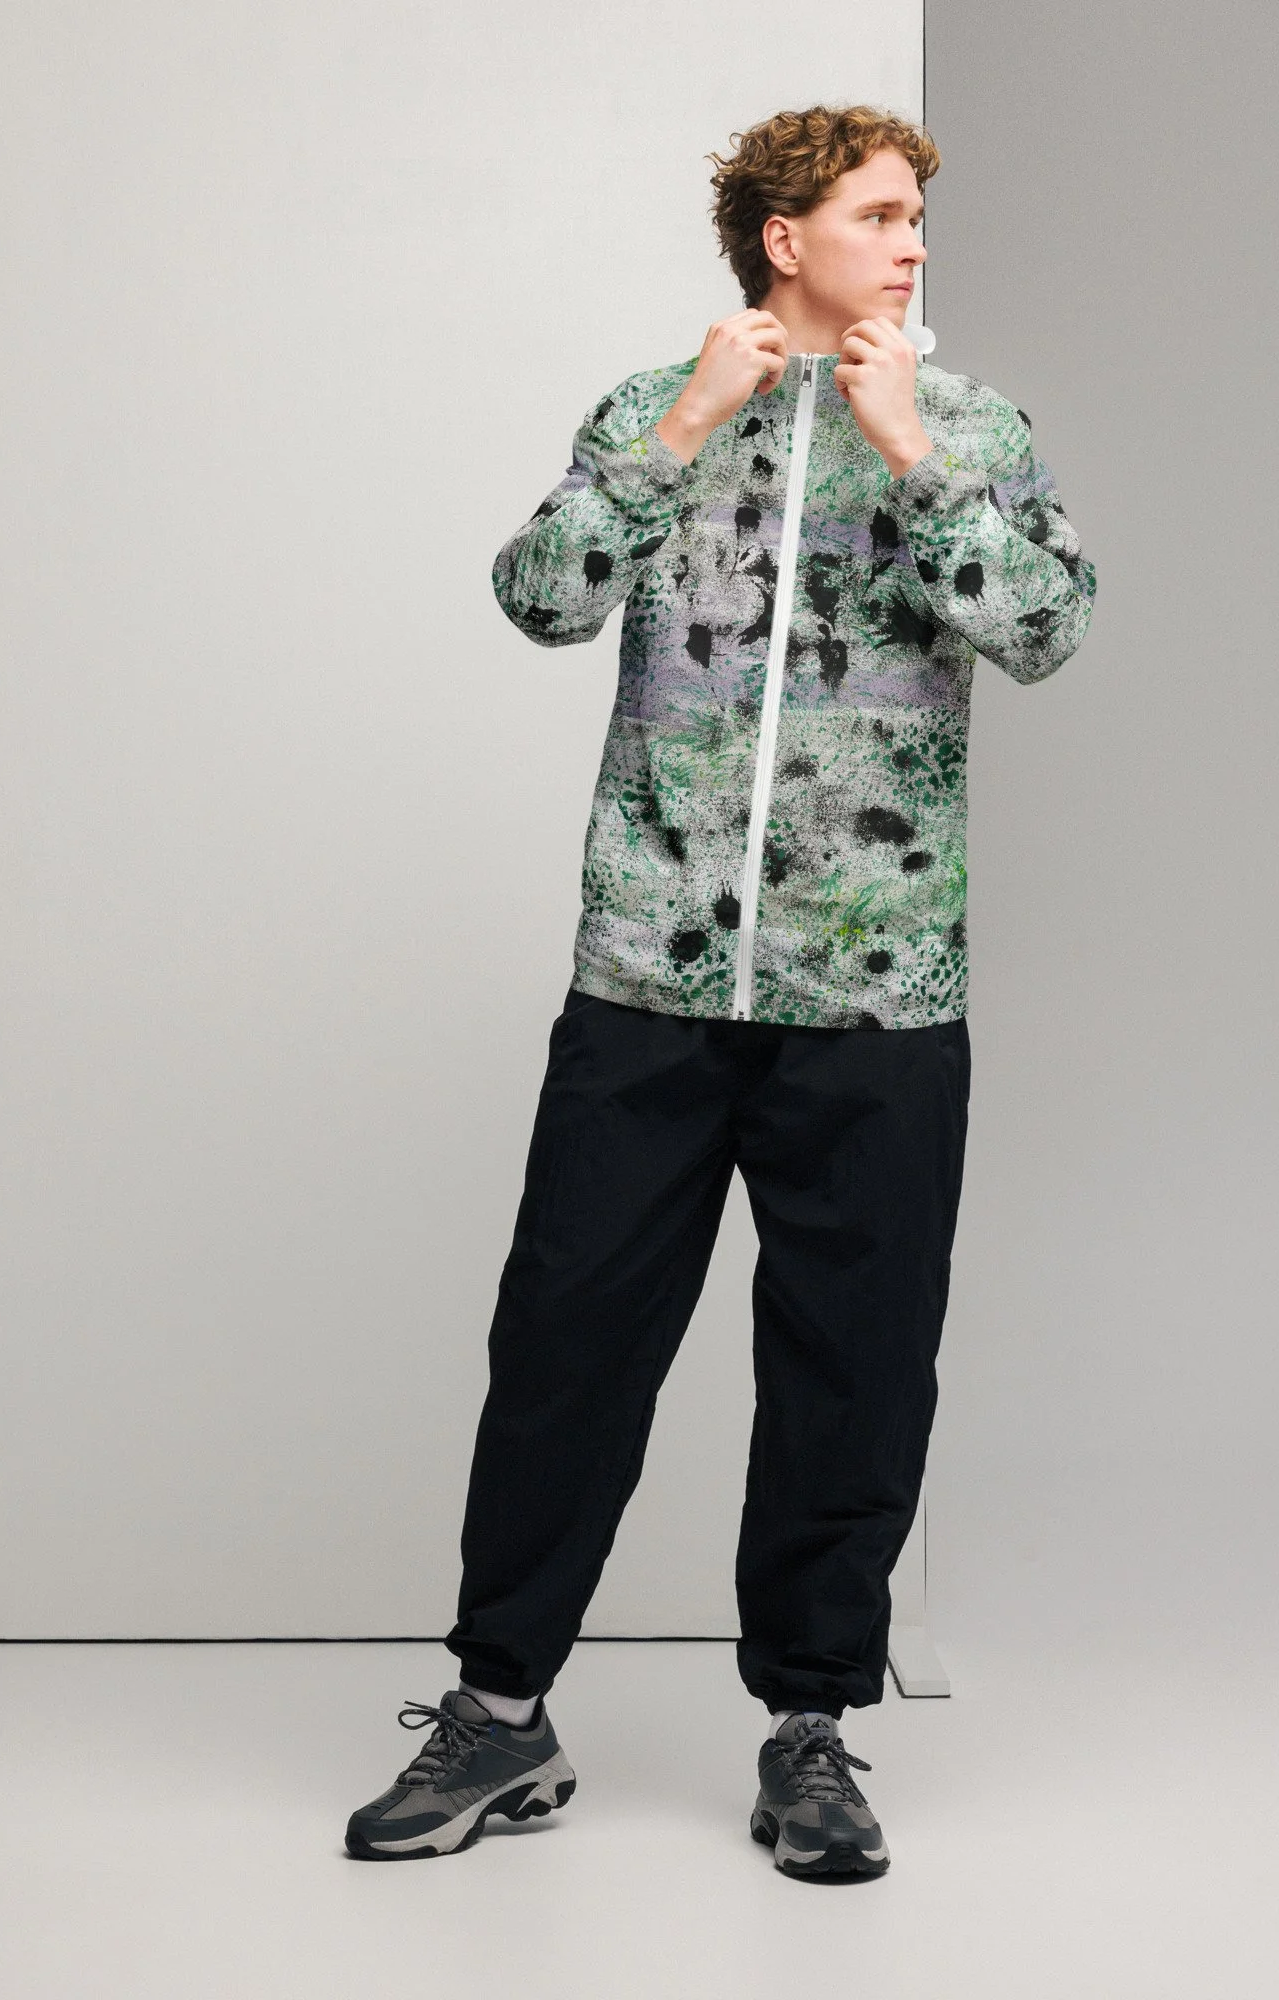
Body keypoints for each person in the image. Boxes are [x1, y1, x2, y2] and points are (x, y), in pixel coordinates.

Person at [345, 103, 1096, 1880]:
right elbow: (540, 597)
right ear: (784, 237)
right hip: (651, 974)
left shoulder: (974, 425)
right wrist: (680, 428)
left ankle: (812, 1733)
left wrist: (914, 458)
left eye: (914, 218)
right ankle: (500, 1716)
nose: (911, 244)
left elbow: (1047, 628)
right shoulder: (652, 407)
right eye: (880, 215)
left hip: (880, 989)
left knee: (855, 1370)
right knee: (565, 1346)